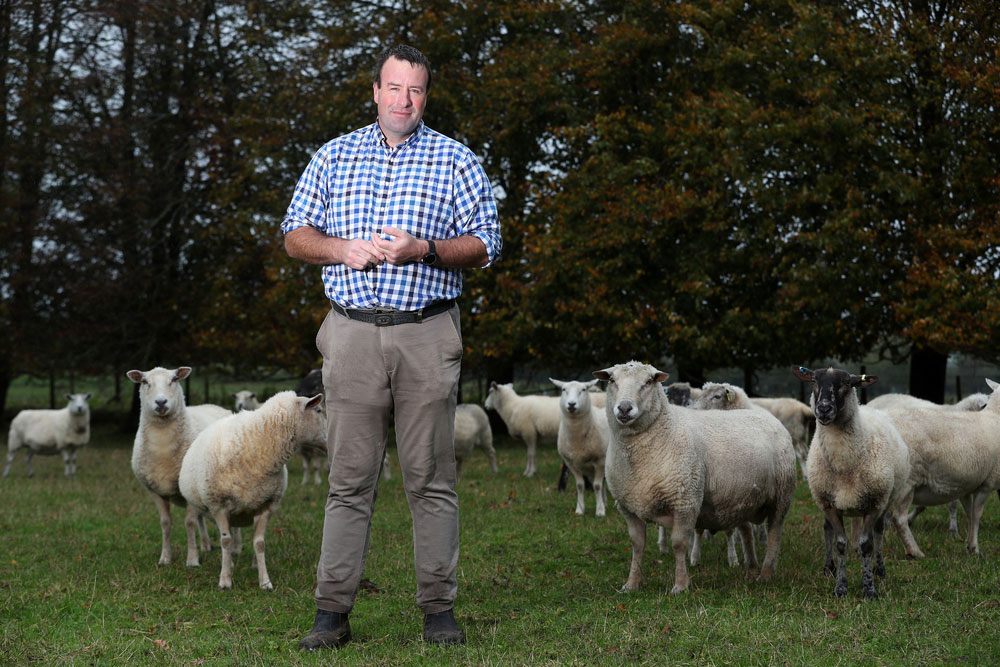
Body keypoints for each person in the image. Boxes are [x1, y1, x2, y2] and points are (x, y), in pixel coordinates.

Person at [281, 44, 501, 650]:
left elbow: (486, 244)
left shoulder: (456, 161)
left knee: (430, 478)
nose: (405, 101)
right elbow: (294, 234)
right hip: (350, 333)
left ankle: (438, 610)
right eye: (395, 88)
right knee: (348, 478)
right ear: (375, 91)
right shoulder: (333, 155)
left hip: (426, 334)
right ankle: (332, 613)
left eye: (417, 91)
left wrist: (424, 248)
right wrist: (339, 248)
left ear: (426, 96)